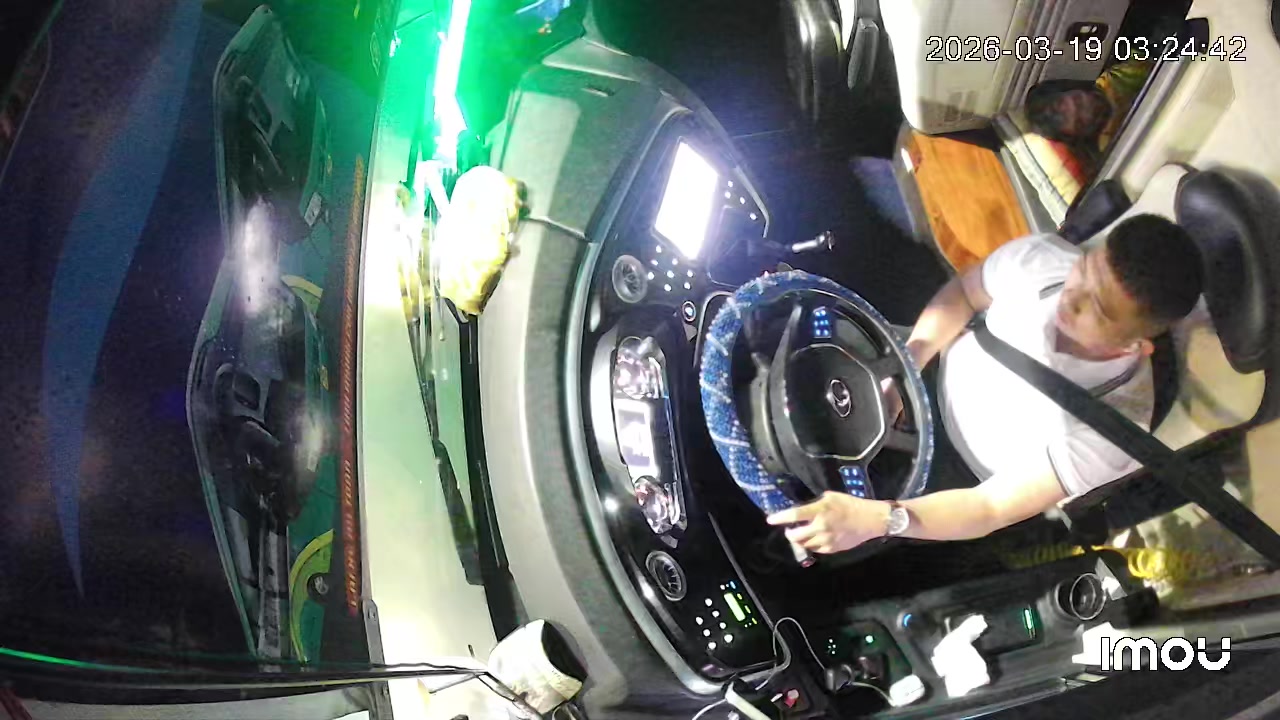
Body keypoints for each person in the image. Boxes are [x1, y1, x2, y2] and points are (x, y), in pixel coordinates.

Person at [767, 215, 1203, 554]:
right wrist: (908, 363)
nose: (1072, 297)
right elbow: (964, 293)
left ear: (1137, 345)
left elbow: (989, 507)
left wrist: (879, 519)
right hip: (928, 366)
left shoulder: (1115, 430)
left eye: (1099, 309)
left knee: (814, 534)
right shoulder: (1045, 260)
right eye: (1085, 269)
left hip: (955, 481)